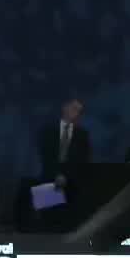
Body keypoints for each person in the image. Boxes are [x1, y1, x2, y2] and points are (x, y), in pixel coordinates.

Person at [36, 98, 92, 231]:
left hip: (73, 180)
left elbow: (84, 160)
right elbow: (45, 155)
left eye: (79, 111)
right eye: (74, 109)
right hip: (50, 176)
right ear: (64, 108)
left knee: (72, 224)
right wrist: (57, 175)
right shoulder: (48, 131)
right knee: (47, 225)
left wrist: (66, 175)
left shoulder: (83, 134)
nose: (77, 113)